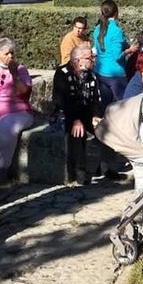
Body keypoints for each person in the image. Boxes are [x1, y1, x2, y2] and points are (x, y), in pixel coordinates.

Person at [52, 44, 112, 185]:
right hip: (66, 114)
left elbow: (96, 99)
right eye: (89, 57)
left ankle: (103, 168)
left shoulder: (91, 76)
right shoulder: (63, 73)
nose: (93, 60)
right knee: (77, 132)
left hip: (86, 113)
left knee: (106, 129)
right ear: (78, 60)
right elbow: (62, 100)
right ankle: (80, 171)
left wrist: (96, 115)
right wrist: (76, 120)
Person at [0, 37, 34, 183]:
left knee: (7, 127)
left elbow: (24, 93)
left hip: (17, 111)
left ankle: (1, 171)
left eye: (12, 53)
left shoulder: (21, 69)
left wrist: (15, 74)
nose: (11, 56)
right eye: (7, 53)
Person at [93, 0, 138, 102]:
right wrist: (130, 50)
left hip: (100, 72)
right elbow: (116, 56)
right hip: (115, 75)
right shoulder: (117, 31)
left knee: (104, 106)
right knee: (123, 105)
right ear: (116, 12)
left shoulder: (97, 28)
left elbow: (97, 48)